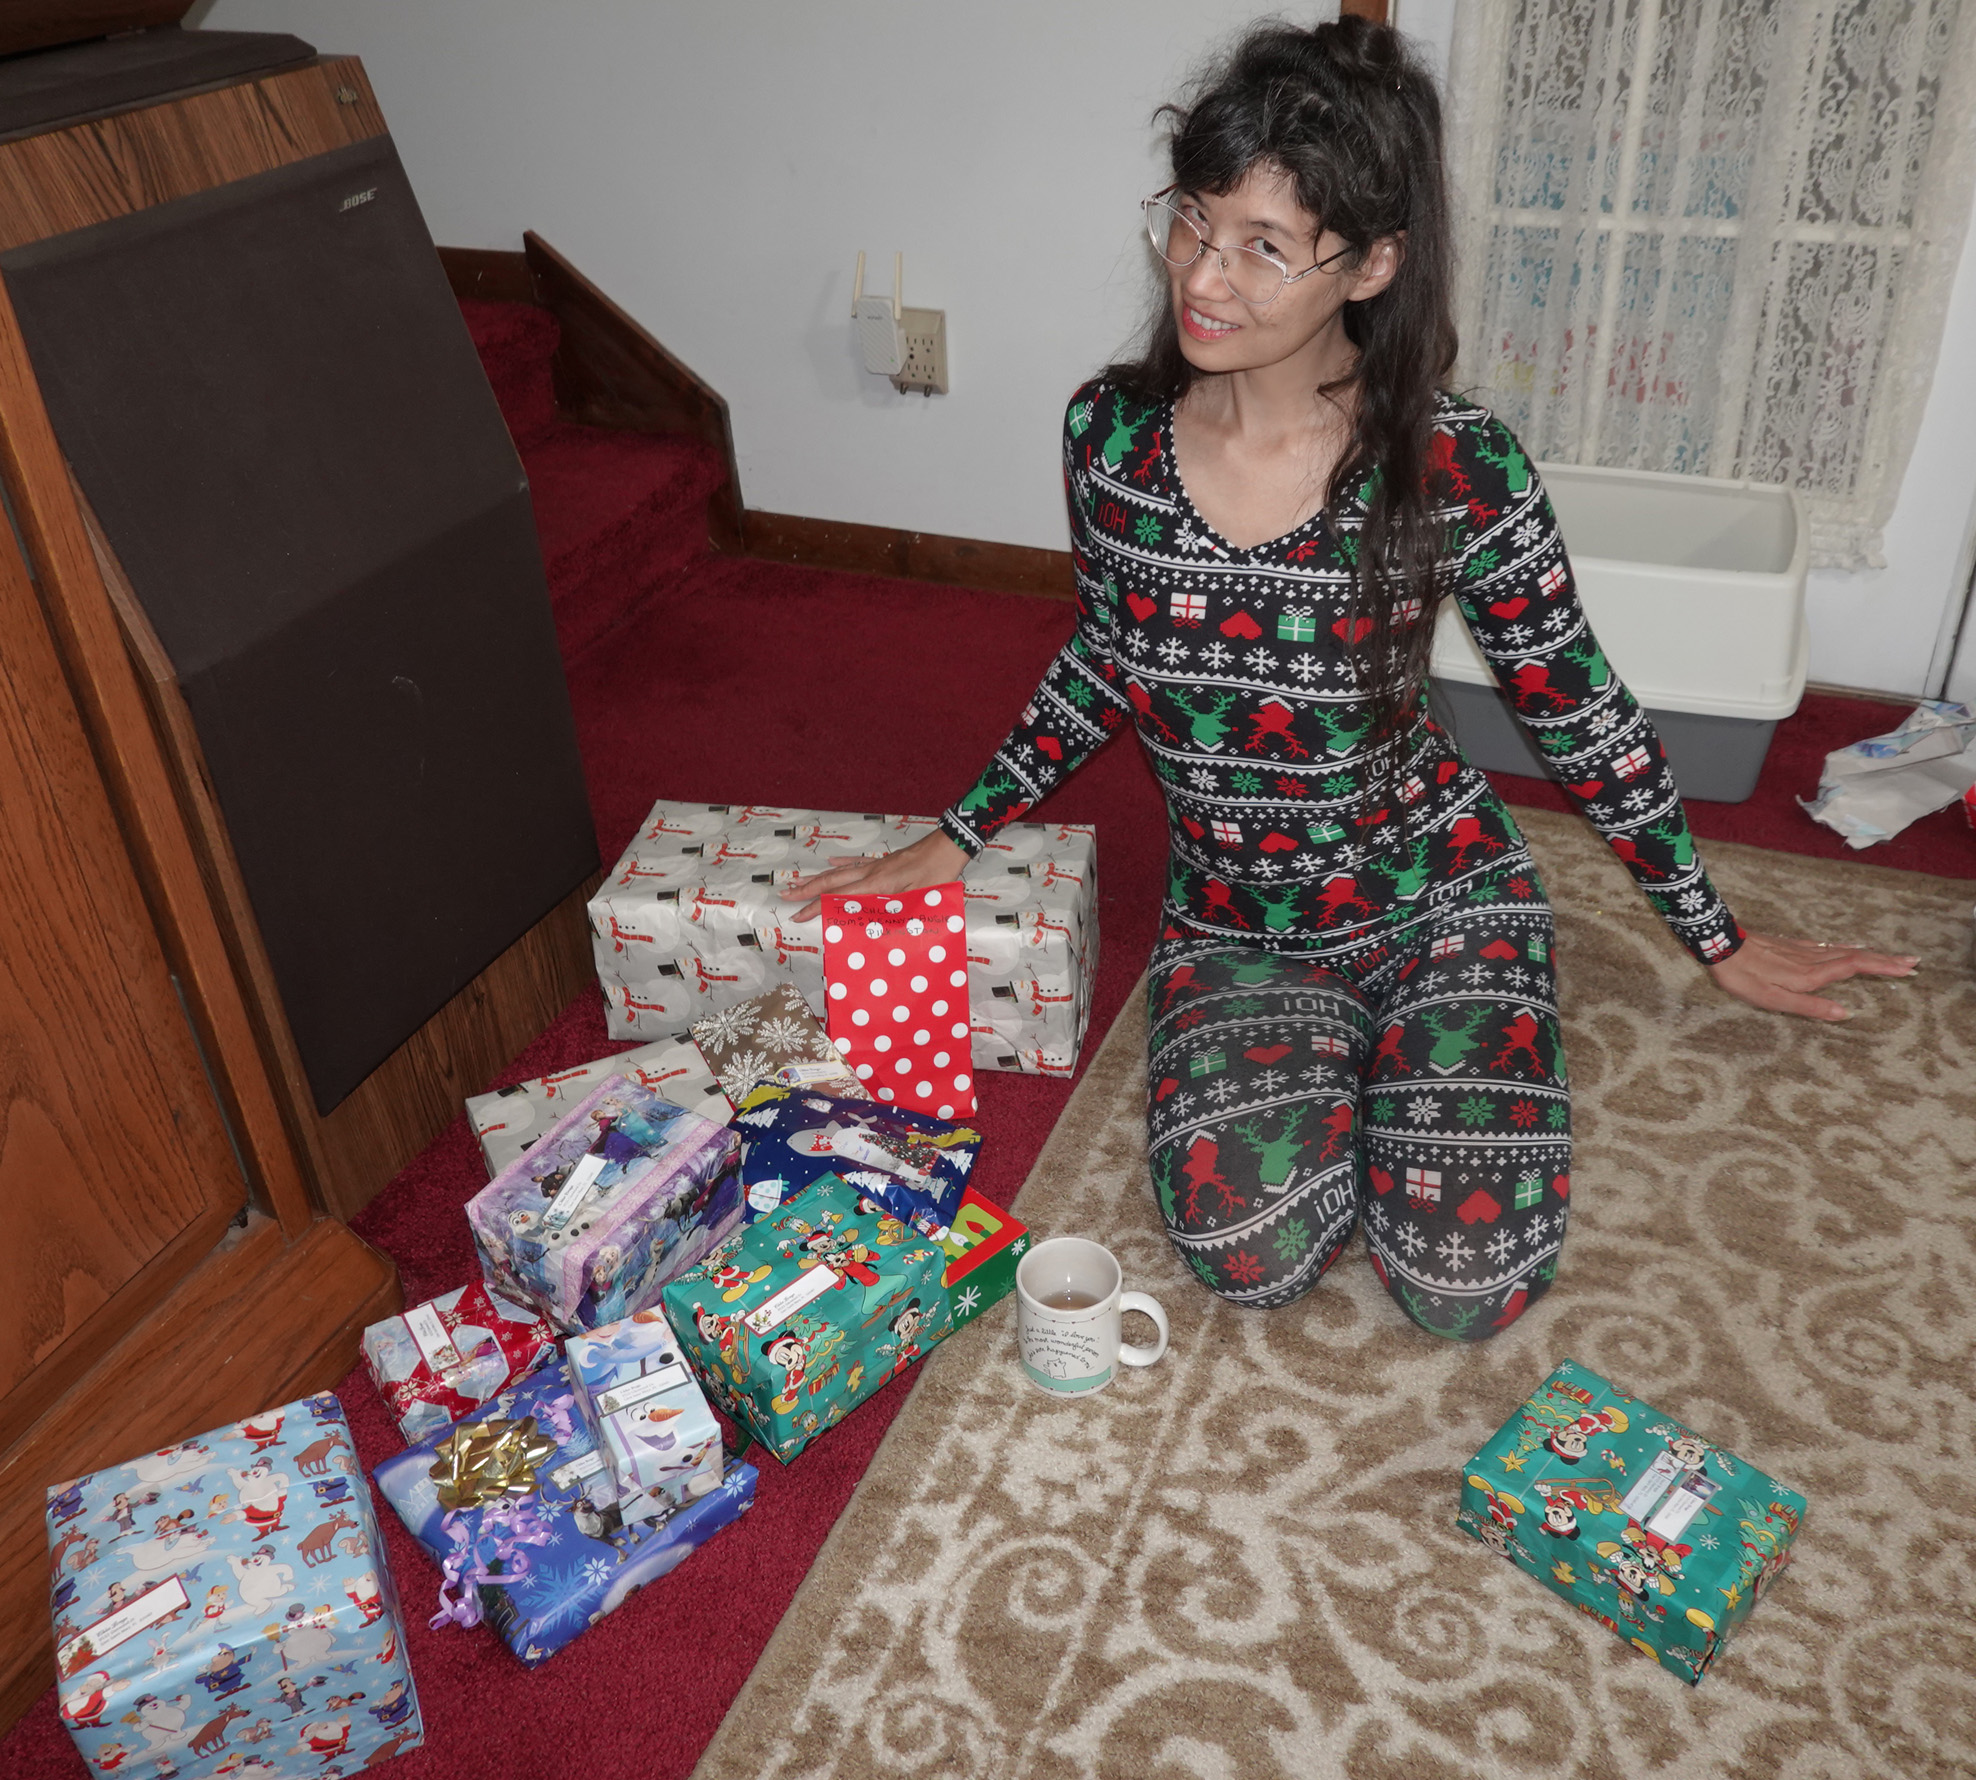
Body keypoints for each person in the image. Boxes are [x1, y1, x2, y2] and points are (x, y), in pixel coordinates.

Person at [786, 16, 1913, 1339]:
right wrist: (959, 831)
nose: (1205, 276)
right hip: (1240, 924)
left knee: (1462, 1285)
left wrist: (1715, 933)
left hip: (1438, 895)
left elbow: (1577, 709)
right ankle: (1374, 1067)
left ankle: (1456, 1024)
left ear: (1372, 263)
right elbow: (1111, 650)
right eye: (1193, 220)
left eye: (1266, 246)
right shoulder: (1109, 436)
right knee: (1250, 1255)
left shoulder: (1457, 465)